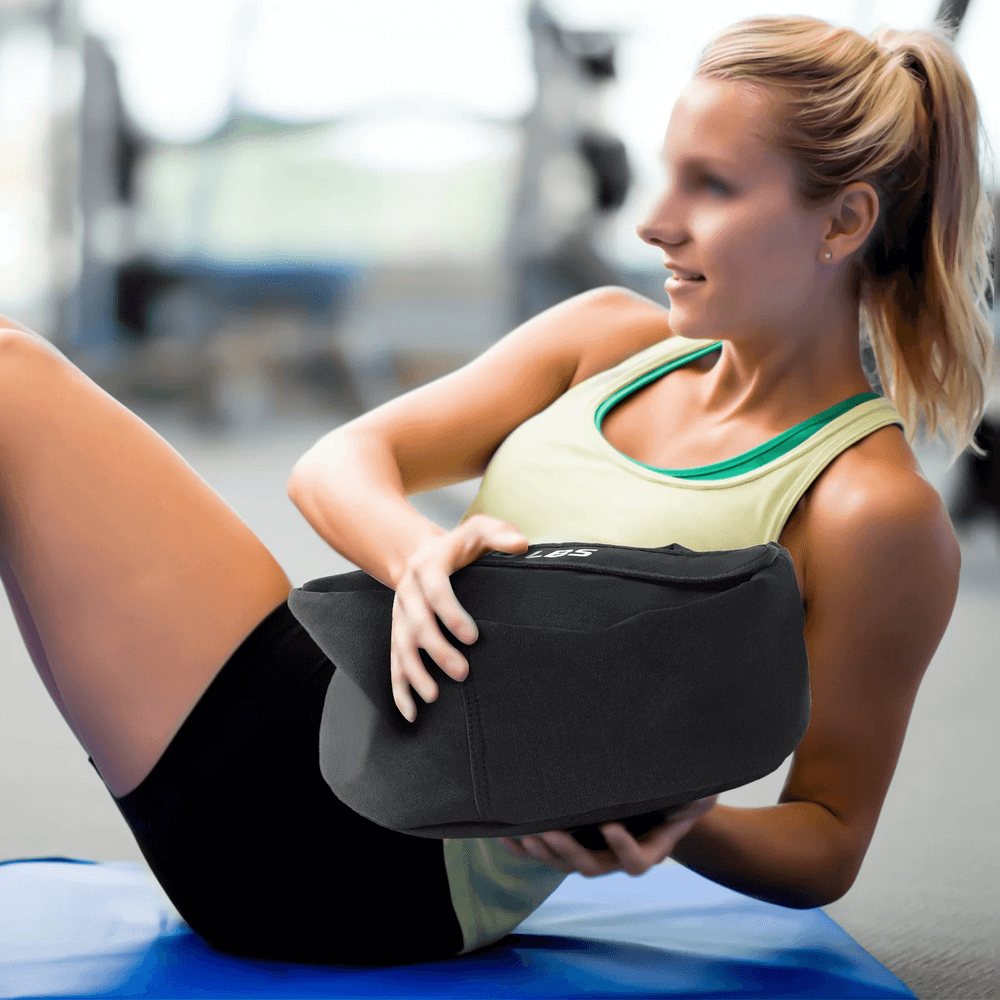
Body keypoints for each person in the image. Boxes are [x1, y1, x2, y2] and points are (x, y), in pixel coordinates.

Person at [0, 11, 994, 969]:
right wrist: (414, 552)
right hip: (324, 695)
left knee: (10, 382)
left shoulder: (870, 510)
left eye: (713, 187)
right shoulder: (609, 337)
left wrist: (674, 820)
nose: (654, 222)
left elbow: (827, 833)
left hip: (371, 863)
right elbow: (338, 461)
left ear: (844, 222)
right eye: (665, 176)